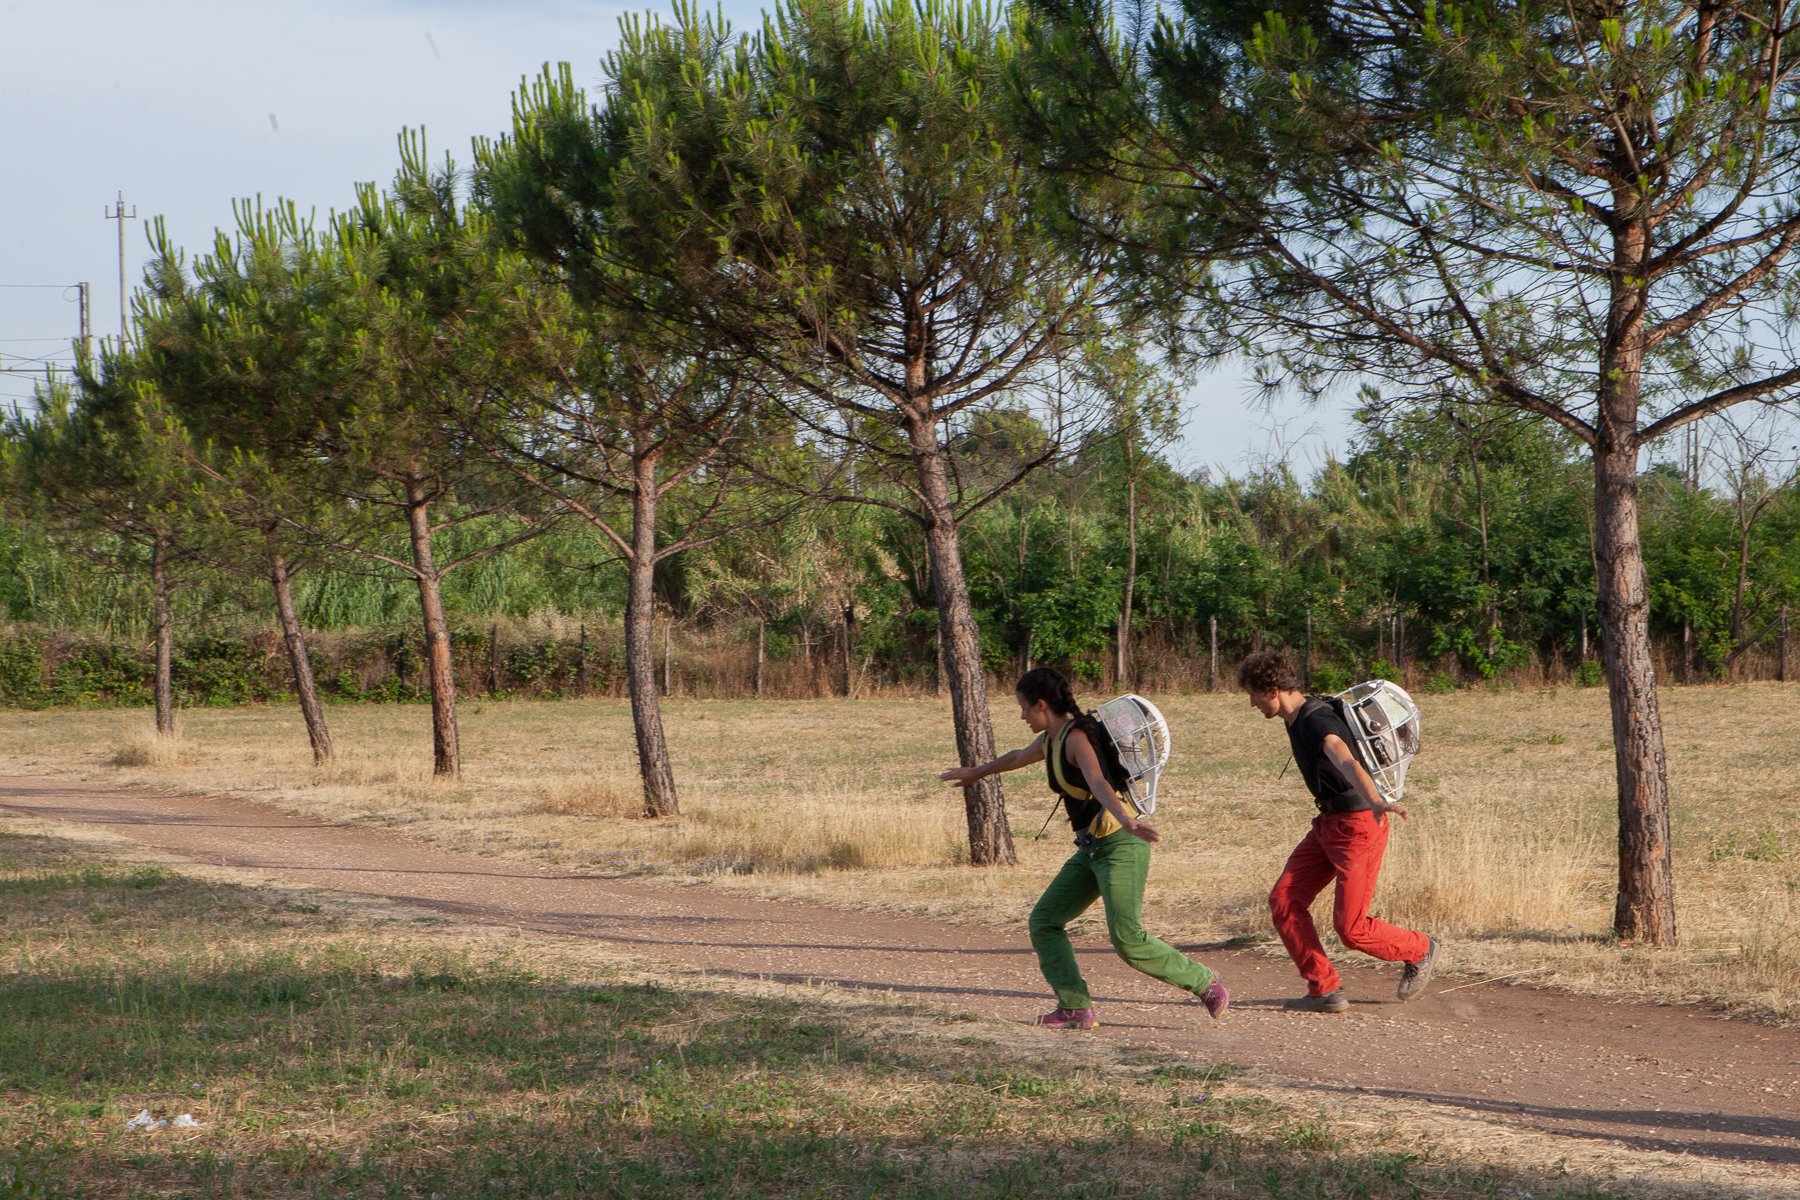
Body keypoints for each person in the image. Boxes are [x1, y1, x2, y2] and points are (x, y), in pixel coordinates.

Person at [939, 666, 1227, 1030]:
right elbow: (1015, 757)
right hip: (1091, 850)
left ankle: (1206, 983)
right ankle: (1074, 1007)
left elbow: (1098, 780)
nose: (1022, 715)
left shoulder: (1075, 738)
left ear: (1042, 705)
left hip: (1121, 845)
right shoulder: (1050, 741)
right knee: (1044, 921)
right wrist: (975, 772)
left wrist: (1126, 820)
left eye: (1024, 707)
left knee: (1128, 940)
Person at [1238, 647, 1437, 1012]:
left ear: (1271, 690)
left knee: (1352, 928)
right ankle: (1324, 990)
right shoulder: (1296, 715)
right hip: (1329, 824)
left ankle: (1420, 949)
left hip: (1358, 826)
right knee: (1285, 901)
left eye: (1252, 694)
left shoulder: (1315, 720)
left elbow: (1341, 753)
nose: (1251, 703)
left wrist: (1375, 799)